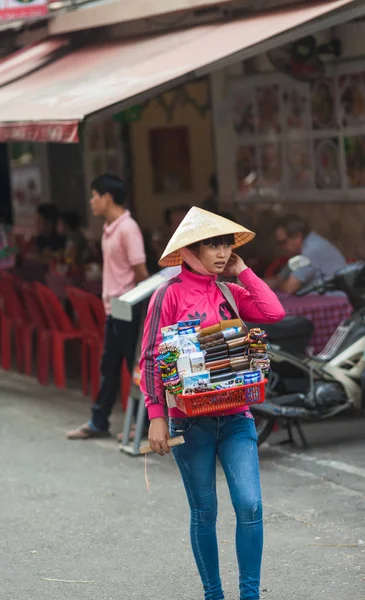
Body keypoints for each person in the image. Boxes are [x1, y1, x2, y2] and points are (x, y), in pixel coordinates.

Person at [139, 207, 285, 600]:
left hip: (237, 416)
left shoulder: (229, 291)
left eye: (226, 245)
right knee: (205, 513)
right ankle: (213, 595)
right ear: (191, 249)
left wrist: (244, 273)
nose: (221, 252)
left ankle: (249, 595)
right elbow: (151, 358)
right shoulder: (167, 295)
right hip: (190, 423)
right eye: (212, 245)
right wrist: (156, 416)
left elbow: (274, 311)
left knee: (250, 506)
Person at [67, 174, 148, 439]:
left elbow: (140, 272)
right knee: (110, 366)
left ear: (108, 197)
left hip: (128, 307)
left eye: (94, 196)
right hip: (114, 308)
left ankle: (145, 422)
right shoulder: (108, 228)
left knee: (133, 366)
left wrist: (143, 309)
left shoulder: (128, 228)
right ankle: (99, 421)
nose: (91, 201)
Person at [267, 214, 347, 294]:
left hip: (335, 301)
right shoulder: (303, 249)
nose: (281, 247)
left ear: (298, 236)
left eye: (283, 242)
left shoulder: (312, 250)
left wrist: (281, 284)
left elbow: (289, 287)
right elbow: (280, 278)